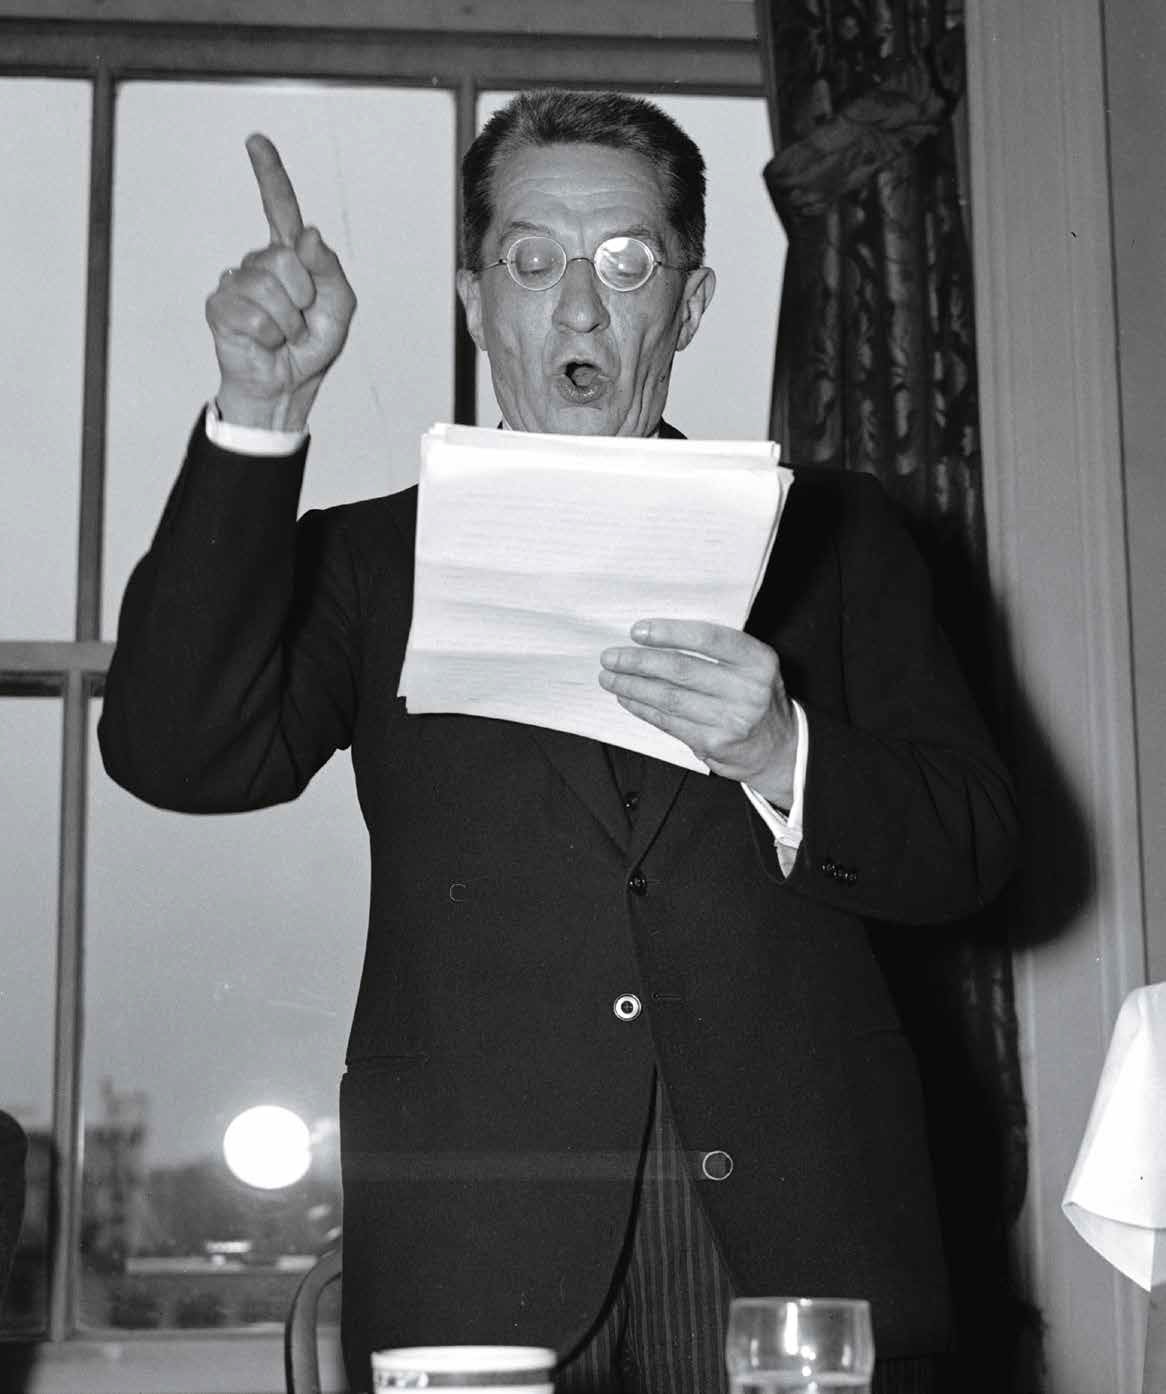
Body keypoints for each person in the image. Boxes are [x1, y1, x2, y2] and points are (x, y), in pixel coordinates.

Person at [99, 90, 1018, 1393]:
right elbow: (173, 752)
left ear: (689, 306)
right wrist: (260, 410)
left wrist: (784, 753)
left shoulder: (842, 537)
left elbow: (972, 847)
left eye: (627, 264)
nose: (579, 310)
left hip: (791, 1257)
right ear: (476, 303)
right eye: (532, 263)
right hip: (475, 1266)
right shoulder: (370, 561)